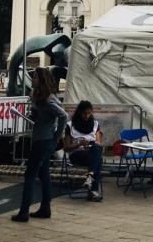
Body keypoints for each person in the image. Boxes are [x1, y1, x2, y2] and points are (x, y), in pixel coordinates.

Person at [12, 68, 68, 222]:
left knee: (30, 175)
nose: (33, 79)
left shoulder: (48, 100)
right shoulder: (43, 98)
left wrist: (57, 135)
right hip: (43, 140)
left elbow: (63, 115)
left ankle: (24, 211)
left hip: (43, 141)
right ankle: (45, 208)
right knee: (44, 174)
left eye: (35, 77)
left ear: (41, 80)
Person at [64, 101, 104, 201]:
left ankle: (90, 180)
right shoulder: (70, 125)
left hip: (91, 153)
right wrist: (79, 144)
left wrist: (90, 145)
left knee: (96, 149)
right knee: (98, 159)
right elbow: (66, 147)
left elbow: (98, 143)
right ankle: (93, 189)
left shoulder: (95, 124)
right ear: (79, 112)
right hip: (77, 153)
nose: (87, 116)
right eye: (84, 113)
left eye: (89, 113)